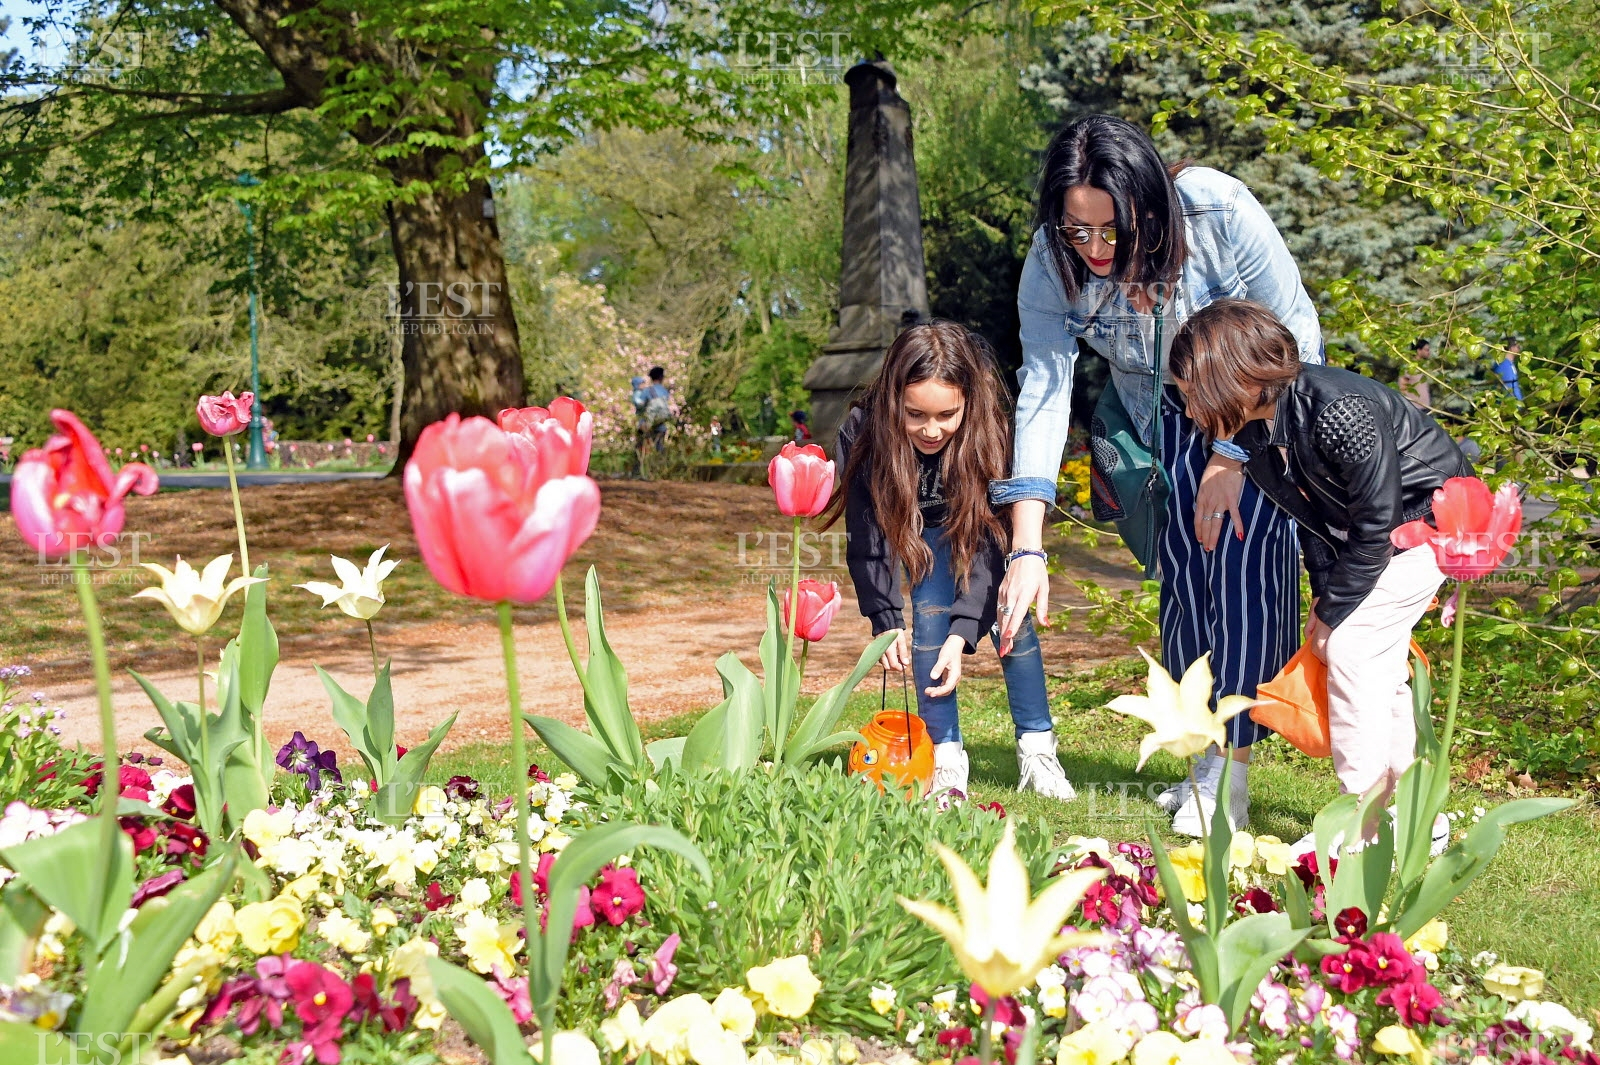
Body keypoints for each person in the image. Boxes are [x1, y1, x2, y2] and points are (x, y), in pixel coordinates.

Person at [993, 114, 1323, 834]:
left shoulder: (1217, 209)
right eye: (1077, 231)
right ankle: (1204, 756)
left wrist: (1234, 454)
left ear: (1148, 204)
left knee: (1242, 579)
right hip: (1157, 418)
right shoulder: (1054, 262)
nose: (1095, 251)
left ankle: (1230, 781)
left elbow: (1299, 330)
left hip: (1254, 409)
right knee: (1186, 588)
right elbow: (1046, 387)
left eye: (1111, 231)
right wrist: (1026, 547)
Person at [1168, 299, 1469, 848]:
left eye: (1192, 393)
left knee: (1352, 649)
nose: (1189, 410)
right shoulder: (1257, 433)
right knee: (1371, 664)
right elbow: (1315, 521)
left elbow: (1377, 523)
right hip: (1377, 540)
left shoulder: (1339, 412)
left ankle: (1360, 824)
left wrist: (1335, 614)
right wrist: (1325, 599)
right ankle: (1419, 813)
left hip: (1433, 525)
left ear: (1231, 377)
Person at [825, 320, 1078, 801]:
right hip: (919, 536)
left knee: (1013, 624)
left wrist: (965, 635)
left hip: (980, 534)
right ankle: (944, 755)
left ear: (968, 403)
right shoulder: (865, 433)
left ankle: (1037, 749)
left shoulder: (989, 434)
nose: (931, 429)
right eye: (915, 414)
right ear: (893, 398)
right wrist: (883, 618)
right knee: (927, 627)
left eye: (947, 415)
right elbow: (868, 535)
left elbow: (987, 546)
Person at [1398, 338, 1433, 410]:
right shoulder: (1409, 366)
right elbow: (1402, 386)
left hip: (1425, 407)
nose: (1428, 352)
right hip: (1414, 408)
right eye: (1426, 350)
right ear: (1418, 350)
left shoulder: (1423, 367)